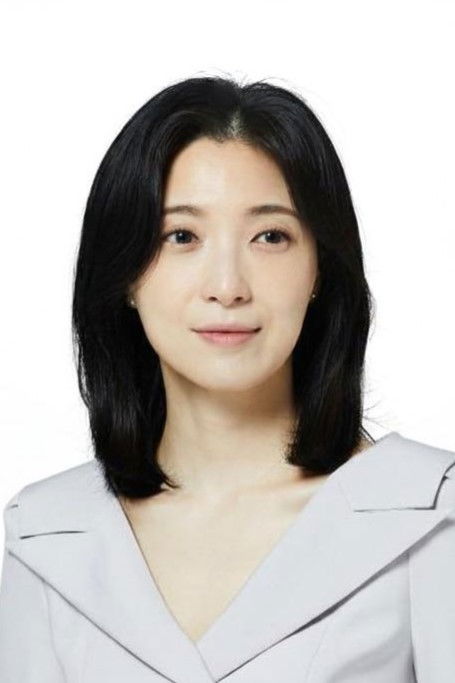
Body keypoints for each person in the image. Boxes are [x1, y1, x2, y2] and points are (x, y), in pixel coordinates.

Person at [1, 75, 454, 682]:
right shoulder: (46, 534)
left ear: (319, 270)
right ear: (126, 274)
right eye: (181, 236)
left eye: (270, 236)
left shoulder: (429, 513)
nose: (227, 286)